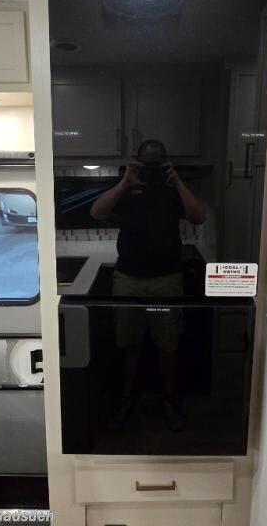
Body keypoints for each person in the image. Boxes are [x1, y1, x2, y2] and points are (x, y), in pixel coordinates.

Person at [90, 139, 206, 432]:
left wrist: (177, 181)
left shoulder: (172, 190)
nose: (152, 165)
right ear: (138, 161)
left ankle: (170, 400)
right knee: (128, 344)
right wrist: (125, 181)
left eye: (158, 160)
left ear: (165, 161)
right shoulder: (128, 190)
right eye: (148, 160)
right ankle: (127, 398)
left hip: (167, 280)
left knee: (168, 345)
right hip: (129, 279)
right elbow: (97, 212)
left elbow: (198, 217)